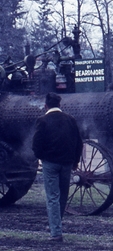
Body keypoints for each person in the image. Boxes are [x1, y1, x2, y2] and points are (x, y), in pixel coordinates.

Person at [32, 92, 83, 242]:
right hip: (67, 163)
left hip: (50, 163)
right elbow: (78, 143)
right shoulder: (70, 120)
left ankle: (56, 232)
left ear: (46, 106)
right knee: (62, 197)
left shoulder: (42, 121)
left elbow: (36, 145)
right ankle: (56, 225)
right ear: (60, 105)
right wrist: (75, 161)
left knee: (52, 197)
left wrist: (42, 157)